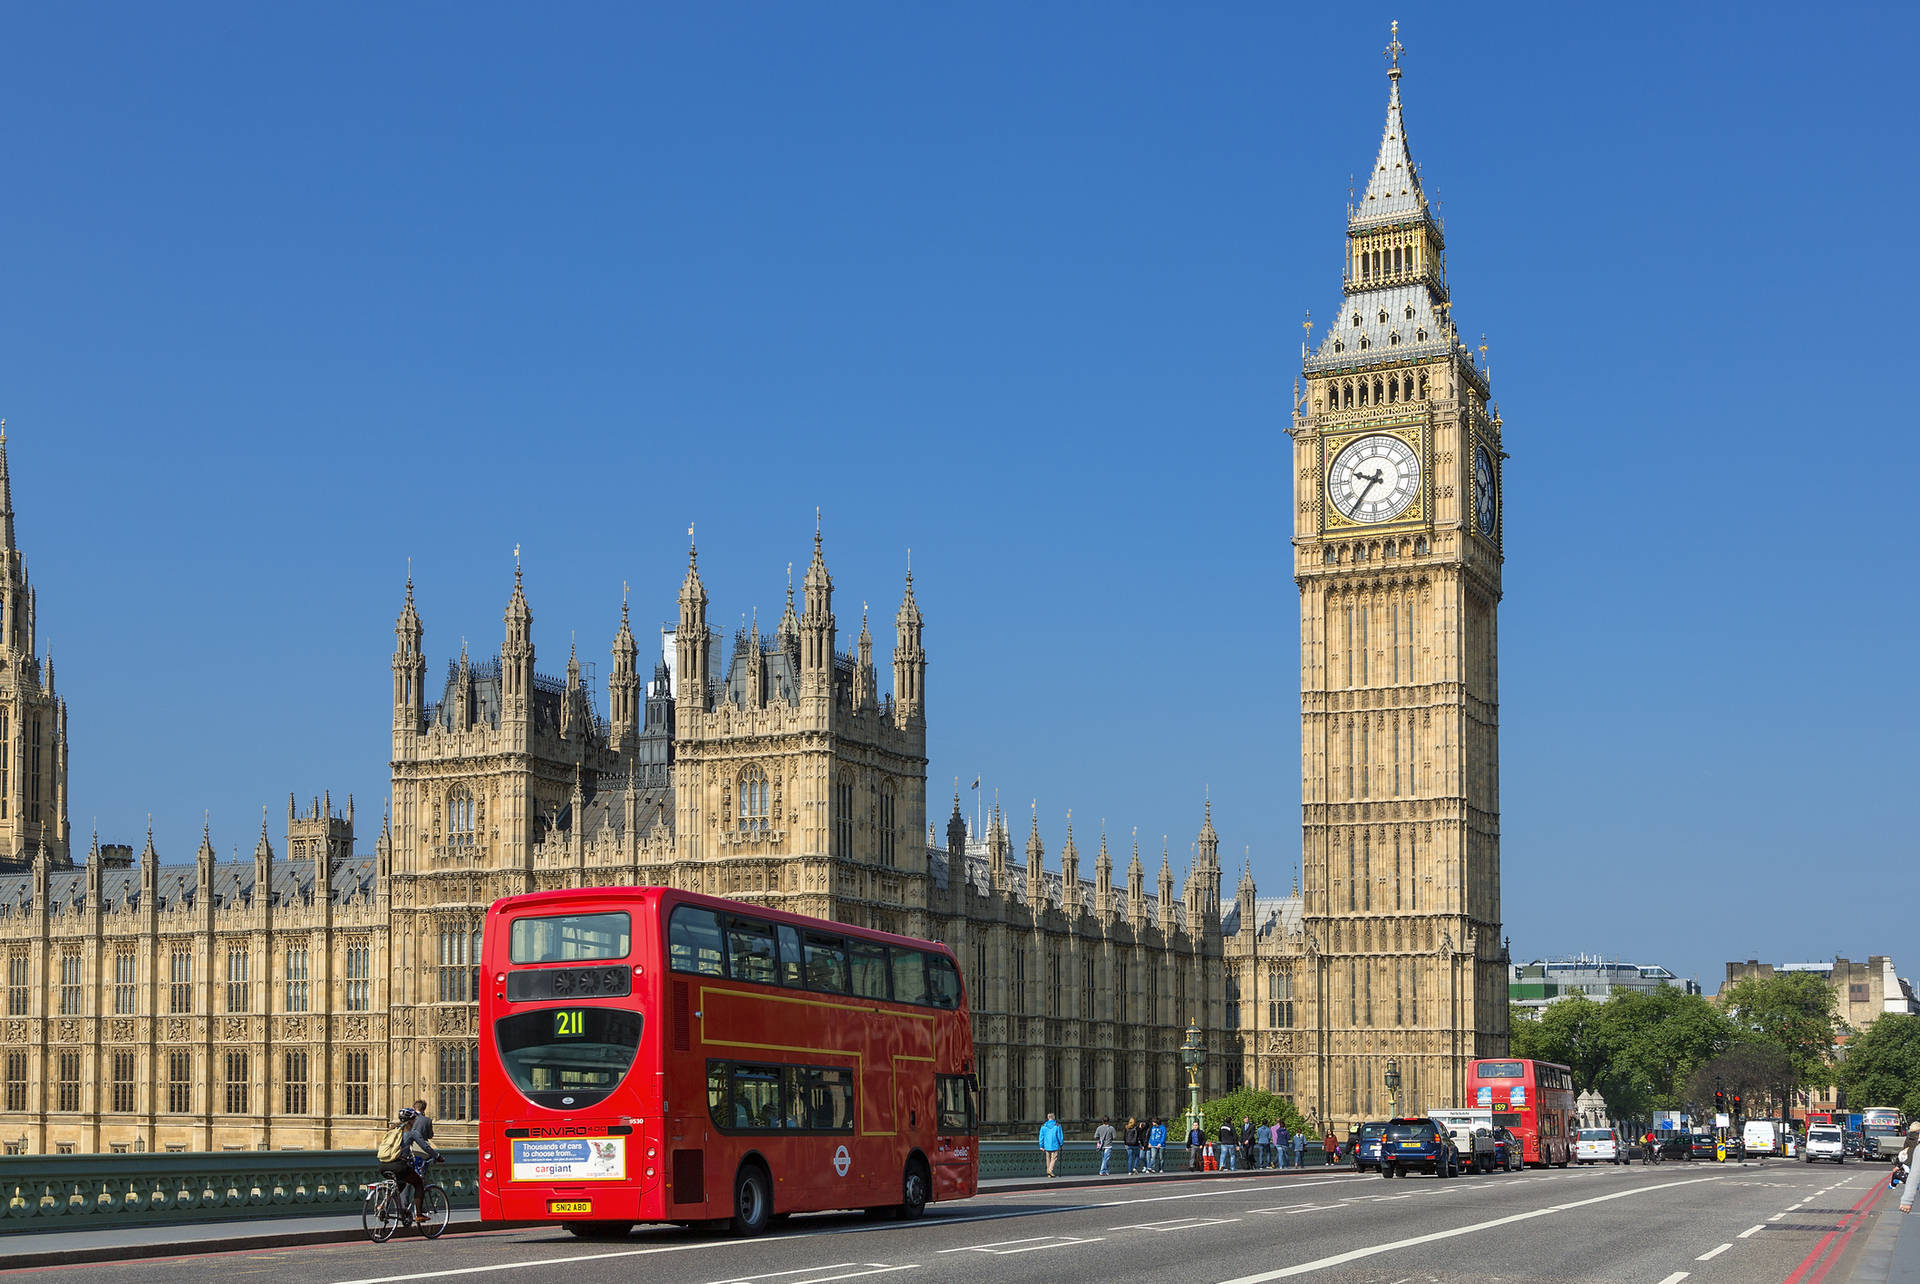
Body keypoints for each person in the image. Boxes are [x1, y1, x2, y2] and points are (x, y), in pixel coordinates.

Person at [379, 1106, 443, 1223]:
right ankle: (419, 1215)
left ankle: (384, 1206)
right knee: (418, 1183)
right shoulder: (412, 1133)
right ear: (413, 1120)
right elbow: (425, 1146)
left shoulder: (392, 1130)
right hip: (399, 1166)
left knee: (400, 1185)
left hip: (383, 1165)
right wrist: (437, 1156)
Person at [1897, 1125, 1918, 1214]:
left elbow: (1914, 1175)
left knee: (1912, 1176)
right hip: (1913, 1161)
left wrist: (1907, 1200)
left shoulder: (1909, 1137)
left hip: (1909, 1161)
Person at [1038, 1113, 1064, 1178]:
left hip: (1047, 1145)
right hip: (1054, 1144)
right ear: (1054, 1117)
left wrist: (1041, 1146)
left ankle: (1049, 1174)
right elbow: (1060, 1136)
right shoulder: (1057, 1125)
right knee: (1054, 1158)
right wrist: (1061, 1144)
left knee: (1048, 1159)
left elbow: (1041, 1137)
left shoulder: (1043, 1126)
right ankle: (1050, 1170)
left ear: (1048, 1117)